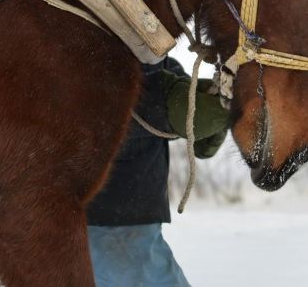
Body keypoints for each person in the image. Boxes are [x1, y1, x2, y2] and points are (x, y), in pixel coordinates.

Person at [86, 57, 228, 286]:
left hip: (133, 219)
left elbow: (196, 132)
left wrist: (216, 111)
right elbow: (100, 111)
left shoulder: (162, 65)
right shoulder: (89, 59)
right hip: (105, 217)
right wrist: (165, 104)